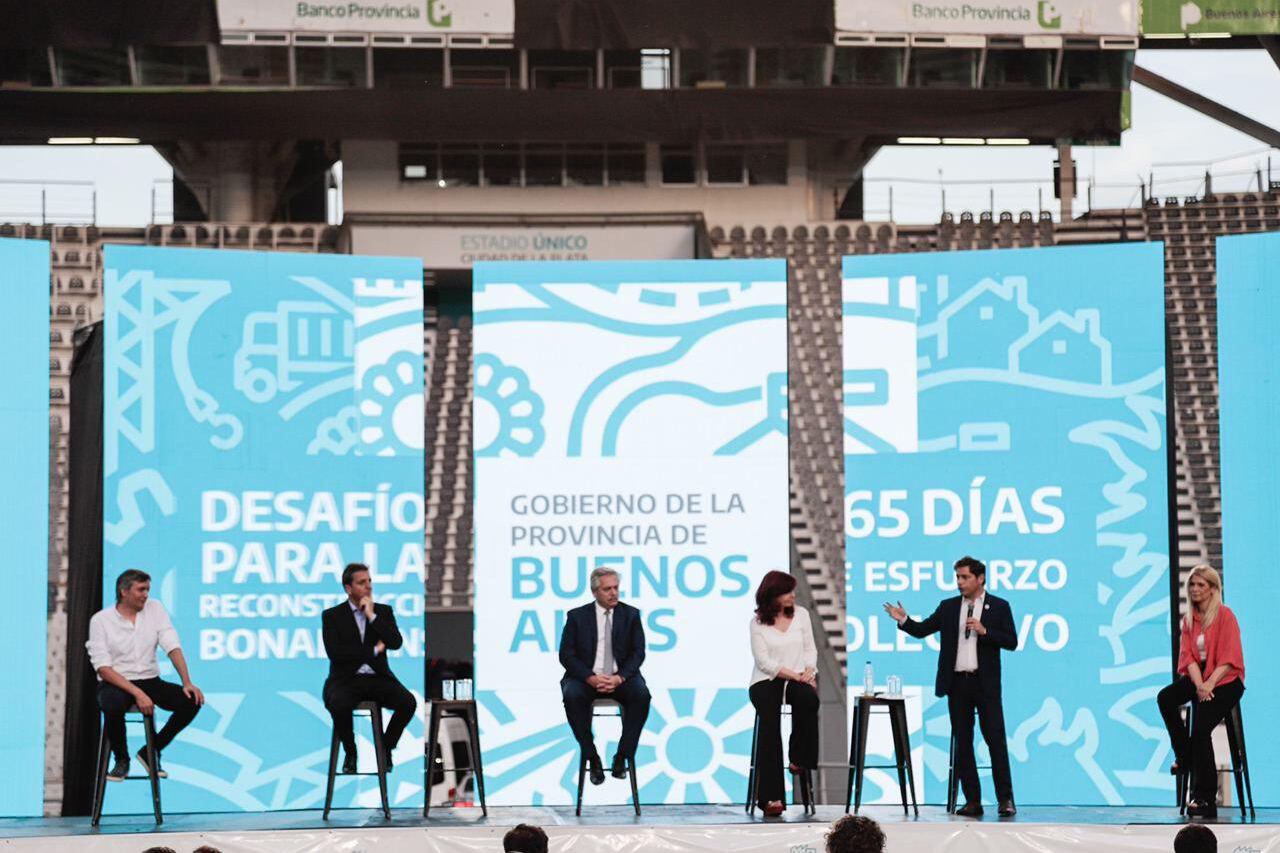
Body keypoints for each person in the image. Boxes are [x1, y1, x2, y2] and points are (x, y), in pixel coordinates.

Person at [883, 555, 1018, 817]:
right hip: (957, 684)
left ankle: (1006, 799)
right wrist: (903, 619)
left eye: (965, 577)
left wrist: (985, 631)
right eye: (957, 577)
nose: (959, 582)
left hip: (985, 684)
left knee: (995, 741)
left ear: (980, 578)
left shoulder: (999, 606)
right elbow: (922, 630)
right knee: (963, 743)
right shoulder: (948, 607)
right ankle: (973, 801)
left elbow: (1011, 641)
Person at [87, 569, 204, 782]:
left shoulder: (155, 609)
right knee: (111, 703)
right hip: (117, 681)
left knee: (191, 701)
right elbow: (103, 667)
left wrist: (187, 682)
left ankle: (151, 751)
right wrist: (137, 693)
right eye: (141, 589)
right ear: (124, 592)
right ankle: (121, 760)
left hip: (149, 679)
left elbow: (171, 644)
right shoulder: (101, 620)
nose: (145, 594)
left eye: (148, 589)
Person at [1157, 565, 1245, 819]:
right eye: (1192, 585)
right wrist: (1199, 686)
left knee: (1201, 727)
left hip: (1226, 679)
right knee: (1166, 697)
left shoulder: (1226, 616)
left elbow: (1230, 659)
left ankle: (1205, 798)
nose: (1195, 589)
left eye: (1201, 585)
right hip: (1201, 677)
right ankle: (1183, 755)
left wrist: (1209, 685)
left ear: (1213, 589)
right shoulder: (1189, 620)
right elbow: (1189, 659)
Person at [321, 563, 418, 774]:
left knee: (408, 702)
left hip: (378, 678)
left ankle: (385, 747)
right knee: (338, 703)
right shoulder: (332, 616)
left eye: (370, 581)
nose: (368, 586)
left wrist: (372, 616)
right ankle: (350, 751)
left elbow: (395, 642)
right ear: (349, 588)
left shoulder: (382, 612)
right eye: (362, 582)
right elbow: (336, 654)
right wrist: (374, 650)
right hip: (346, 679)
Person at [559, 567, 651, 785]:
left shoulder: (631, 615)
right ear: (595, 592)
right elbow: (566, 655)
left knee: (642, 696)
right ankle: (592, 757)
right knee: (572, 695)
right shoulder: (577, 617)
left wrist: (620, 678)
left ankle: (622, 756)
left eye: (616, 588)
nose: (613, 593)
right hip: (586, 678)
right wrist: (589, 677)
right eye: (607, 589)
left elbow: (638, 653)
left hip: (621, 678)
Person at [749, 570, 819, 817]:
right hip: (766, 680)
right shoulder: (757, 623)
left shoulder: (802, 615)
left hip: (798, 677)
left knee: (809, 699)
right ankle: (771, 797)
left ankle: (799, 758)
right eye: (787, 591)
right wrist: (795, 675)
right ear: (772, 595)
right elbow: (764, 661)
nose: (793, 595)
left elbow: (810, 648)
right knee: (769, 723)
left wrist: (810, 670)